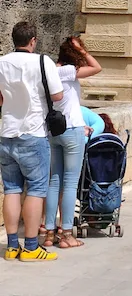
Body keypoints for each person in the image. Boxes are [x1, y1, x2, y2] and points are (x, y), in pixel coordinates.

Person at [0, 20, 64, 261]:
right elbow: (57, 95)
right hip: (33, 133)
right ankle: (30, 247)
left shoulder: (2, 62)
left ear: (13, 39)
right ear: (33, 40)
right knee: (36, 190)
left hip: (7, 134)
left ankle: (12, 246)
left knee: (12, 190)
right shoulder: (42, 61)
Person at [44, 35, 102, 248]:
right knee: (70, 183)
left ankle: (49, 233)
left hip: (54, 131)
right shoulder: (69, 71)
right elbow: (97, 67)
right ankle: (66, 233)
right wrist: (83, 51)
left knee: (54, 182)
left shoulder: (49, 71)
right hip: (72, 130)